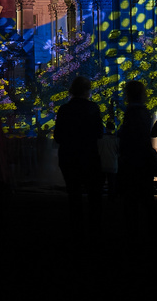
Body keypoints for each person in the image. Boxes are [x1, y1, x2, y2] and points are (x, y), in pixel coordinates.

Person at [54, 76, 105, 229]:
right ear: (87, 91)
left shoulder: (64, 109)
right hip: (89, 156)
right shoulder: (93, 108)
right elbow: (99, 133)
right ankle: (94, 227)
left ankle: (76, 227)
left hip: (69, 157)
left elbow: (58, 136)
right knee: (94, 195)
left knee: (74, 195)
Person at [117, 80, 157, 231]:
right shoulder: (142, 112)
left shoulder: (134, 112)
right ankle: (150, 229)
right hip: (142, 161)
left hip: (134, 162)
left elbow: (134, 137)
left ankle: (134, 231)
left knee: (132, 200)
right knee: (146, 200)